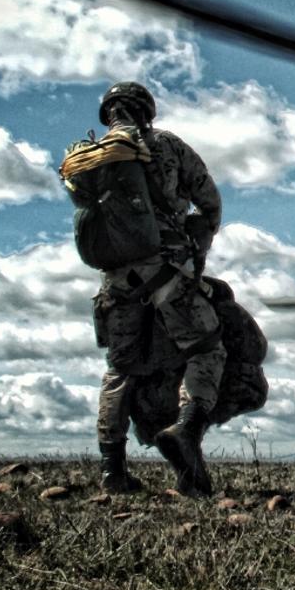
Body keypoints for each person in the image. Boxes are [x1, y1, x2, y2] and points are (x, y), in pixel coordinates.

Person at [69, 81, 224, 497]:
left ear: (108, 114)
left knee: (119, 371)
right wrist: (199, 242)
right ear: (147, 111)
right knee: (205, 347)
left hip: (115, 282)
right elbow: (210, 201)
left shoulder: (91, 158)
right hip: (167, 270)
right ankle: (187, 429)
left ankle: (112, 471)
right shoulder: (167, 146)